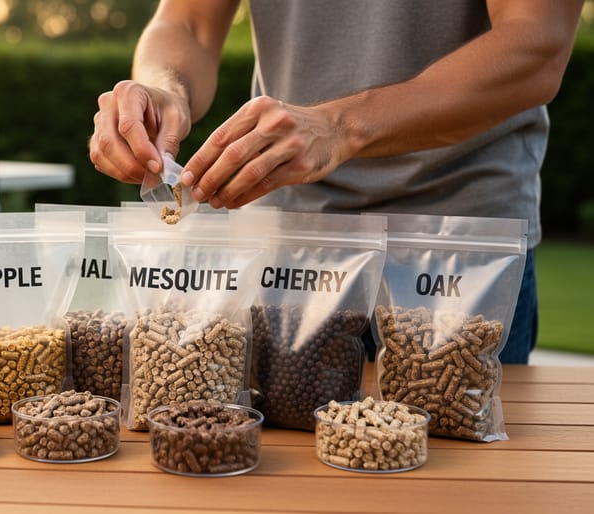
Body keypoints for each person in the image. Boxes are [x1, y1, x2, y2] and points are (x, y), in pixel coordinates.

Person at [88, 0, 585, 364]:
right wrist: (163, 88)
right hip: (291, 255)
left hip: (458, 250)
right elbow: (188, 23)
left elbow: (535, 44)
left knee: (456, 489)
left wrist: (341, 126)